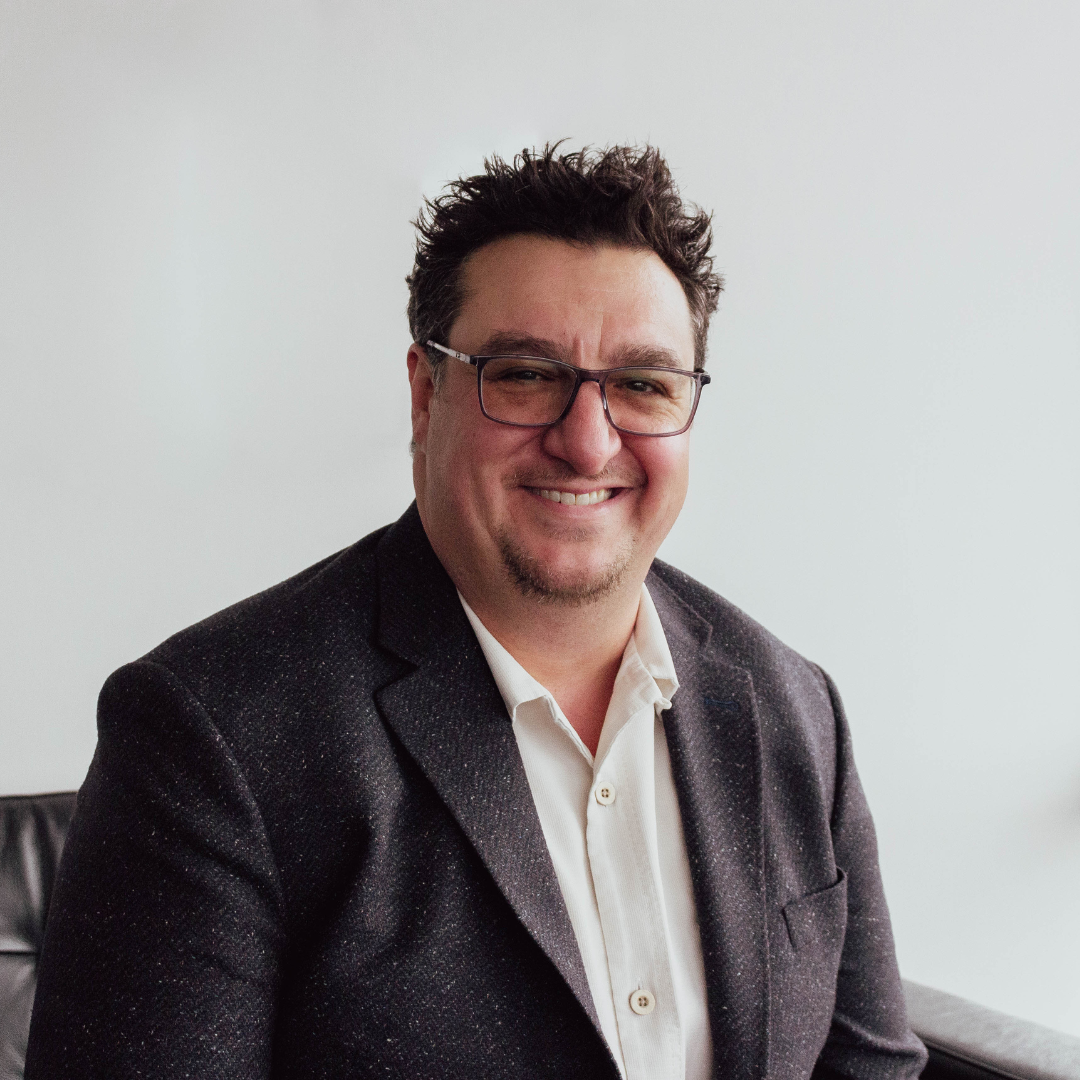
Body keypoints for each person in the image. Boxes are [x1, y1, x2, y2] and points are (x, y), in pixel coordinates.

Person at [27, 145, 927, 1080]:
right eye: (527, 374)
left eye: (643, 384)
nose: (588, 443)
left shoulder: (795, 710)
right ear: (426, 395)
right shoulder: (212, 735)